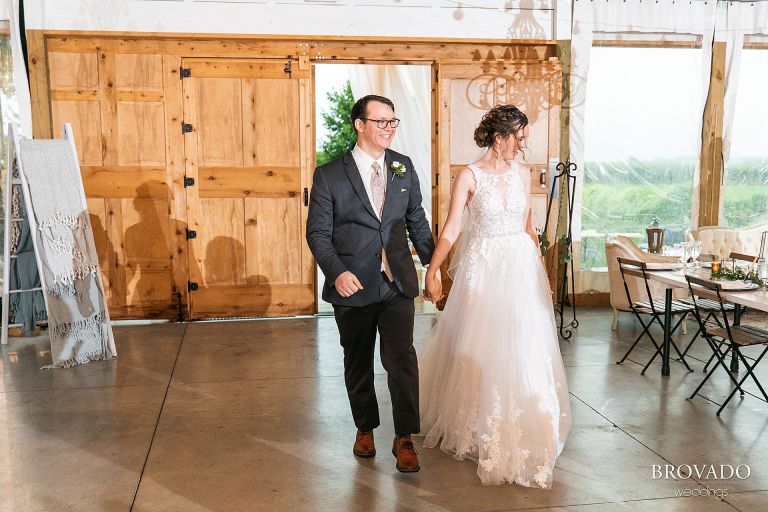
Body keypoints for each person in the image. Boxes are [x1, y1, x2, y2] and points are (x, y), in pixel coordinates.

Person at [419, 104, 571, 487]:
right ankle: (479, 425)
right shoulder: (469, 177)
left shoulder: (521, 174)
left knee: (525, 346)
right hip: (484, 270)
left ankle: (528, 421)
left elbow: (529, 228)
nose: (522, 146)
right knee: (483, 349)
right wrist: (433, 268)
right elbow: (453, 228)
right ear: (500, 137)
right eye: (518, 138)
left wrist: (543, 277)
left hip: (521, 269)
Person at [306, 95, 436, 473]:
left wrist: (434, 264)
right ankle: (365, 426)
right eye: (381, 121)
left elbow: (417, 220)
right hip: (353, 284)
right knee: (357, 360)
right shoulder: (329, 174)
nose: (389, 128)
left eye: (393, 122)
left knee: (402, 359)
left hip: (397, 284)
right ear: (359, 125)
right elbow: (317, 234)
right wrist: (336, 271)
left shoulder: (403, 167)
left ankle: (405, 437)